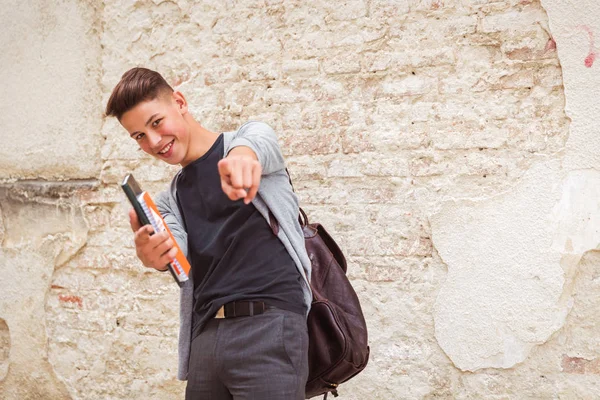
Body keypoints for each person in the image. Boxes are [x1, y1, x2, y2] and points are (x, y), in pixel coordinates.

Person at [105, 67, 312, 400]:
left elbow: (259, 143)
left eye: (156, 123)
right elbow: (178, 258)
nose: (153, 142)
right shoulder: (169, 200)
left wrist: (243, 158)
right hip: (206, 338)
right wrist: (155, 254)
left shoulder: (243, 143)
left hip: (270, 327)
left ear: (180, 102)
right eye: (139, 136)